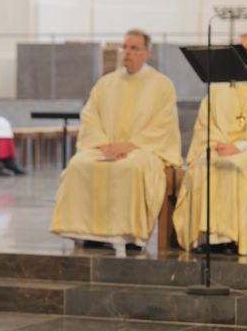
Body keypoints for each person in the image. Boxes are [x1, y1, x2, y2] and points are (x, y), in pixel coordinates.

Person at [50, 30, 181, 252]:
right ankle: (90, 233)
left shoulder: (162, 85)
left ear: (147, 53)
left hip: (143, 149)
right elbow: (90, 117)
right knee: (80, 164)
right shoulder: (105, 83)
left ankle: (129, 235)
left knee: (131, 167)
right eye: (125, 47)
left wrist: (128, 146)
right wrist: (103, 145)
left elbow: (163, 126)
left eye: (134, 48)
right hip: (105, 147)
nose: (127, 52)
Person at [173, 33, 247, 255]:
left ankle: (234, 238)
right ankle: (208, 237)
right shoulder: (219, 86)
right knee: (202, 166)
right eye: (240, 49)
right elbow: (205, 122)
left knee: (239, 167)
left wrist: (241, 146)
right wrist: (218, 144)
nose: (243, 54)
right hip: (220, 147)